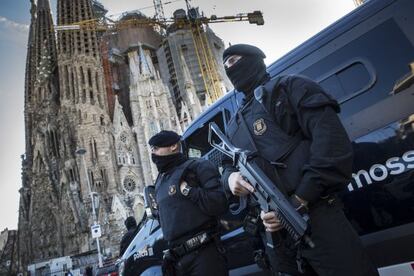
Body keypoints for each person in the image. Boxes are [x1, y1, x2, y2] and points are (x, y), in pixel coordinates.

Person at [220, 44, 378, 276]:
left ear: (254, 59)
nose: (229, 68)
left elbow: (331, 146)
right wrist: (230, 178)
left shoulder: (290, 87)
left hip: (317, 218)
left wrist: (299, 199)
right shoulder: (234, 124)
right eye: (225, 66)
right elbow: (225, 165)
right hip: (275, 237)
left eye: (233, 60)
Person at [148, 130, 228, 276]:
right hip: (178, 261)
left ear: (173, 146)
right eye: (152, 149)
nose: (153, 153)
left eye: (156, 148)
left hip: (204, 255)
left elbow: (219, 203)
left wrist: (189, 191)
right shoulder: (159, 181)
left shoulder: (198, 167)